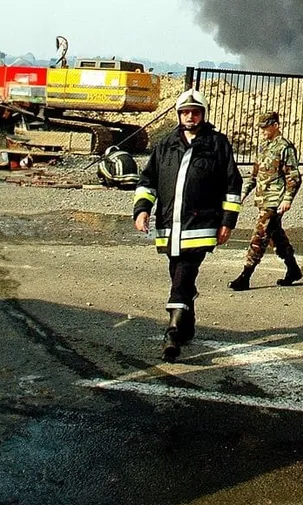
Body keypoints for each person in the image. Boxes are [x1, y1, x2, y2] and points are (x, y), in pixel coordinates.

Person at [133, 88, 243, 362]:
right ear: (178, 115)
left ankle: (172, 333)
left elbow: (233, 184)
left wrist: (228, 221)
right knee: (178, 273)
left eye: (195, 112)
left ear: (203, 115)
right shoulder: (165, 144)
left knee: (183, 274)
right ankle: (188, 323)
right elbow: (148, 181)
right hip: (170, 226)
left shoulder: (217, 144)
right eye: (185, 112)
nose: (190, 116)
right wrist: (142, 210)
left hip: (201, 226)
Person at [227, 111, 303, 291]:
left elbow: (294, 177)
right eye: (260, 127)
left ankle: (245, 276)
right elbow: (255, 175)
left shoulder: (285, 147)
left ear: (275, 125)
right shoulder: (263, 147)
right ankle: (293, 269)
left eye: (265, 127)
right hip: (262, 199)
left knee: (259, 236)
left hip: (274, 202)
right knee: (276, 237)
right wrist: (243, 193)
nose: (262, 131)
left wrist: (287, 199)